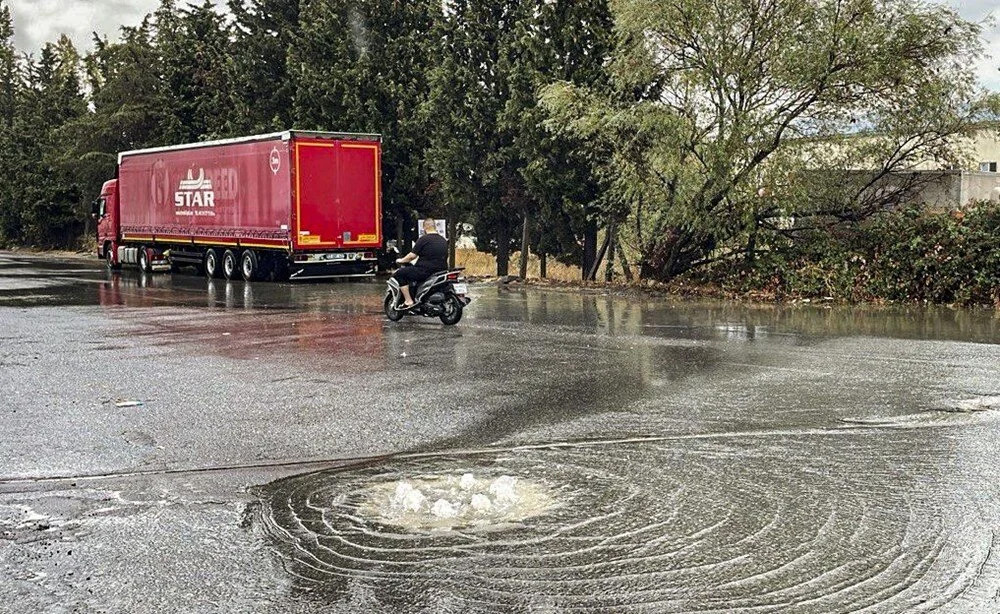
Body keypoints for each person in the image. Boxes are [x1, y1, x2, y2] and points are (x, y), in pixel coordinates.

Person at [393, 219, 449, 309]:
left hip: (425, 271)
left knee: (400, 274)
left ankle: (408, 301)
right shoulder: (443, 240)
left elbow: (412, 256)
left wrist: (401, 260)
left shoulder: (423, 239)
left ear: (425, 227)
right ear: (434, 226)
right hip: (442, 271)